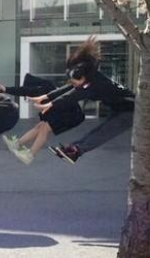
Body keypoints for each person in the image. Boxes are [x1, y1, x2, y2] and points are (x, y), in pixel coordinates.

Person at [33, 36, 135, 164]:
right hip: (122, 108)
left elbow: (71, 96)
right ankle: (74, 149)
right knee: (99, 130)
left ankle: (76, 151)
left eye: (75, 81)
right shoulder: (90, 78)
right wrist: (47, 96)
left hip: (132, 109)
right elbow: (69, 88)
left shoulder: (92, 85)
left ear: (83, 78)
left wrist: (50, 104)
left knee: (104, 132)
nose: (73, 84)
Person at [0, 73, 85, 165]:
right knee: (40, 126)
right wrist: (5, 89)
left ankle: (30, 155)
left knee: (44, 128)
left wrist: (5, 89)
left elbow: (23, 90)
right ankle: (17, 144)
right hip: (66, 112)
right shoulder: (47, 86)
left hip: (72, 116)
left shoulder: (41, 89)